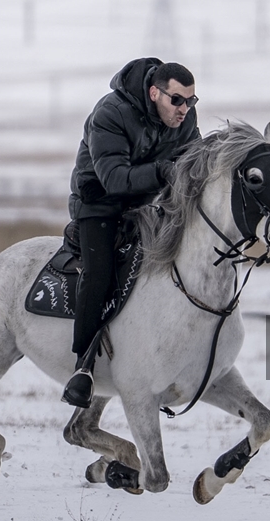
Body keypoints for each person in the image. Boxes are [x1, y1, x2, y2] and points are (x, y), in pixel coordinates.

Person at [62, 57, 202, 408]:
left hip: (147, 203)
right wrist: (164, 172)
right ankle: (83, 367)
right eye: (177, 100)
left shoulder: (185, 120)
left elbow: (194, 163)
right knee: (101, 272)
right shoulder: (110, 112)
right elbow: (114, 178)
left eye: (191, 101)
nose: (184, 109)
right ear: (155, 92)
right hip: (98, 204)